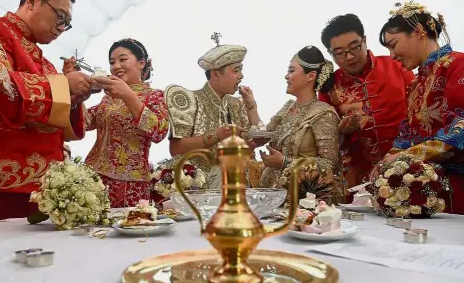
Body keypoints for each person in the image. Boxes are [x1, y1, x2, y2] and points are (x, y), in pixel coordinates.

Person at [0, 0, 94, 222]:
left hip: (51, 190)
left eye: (67, 23)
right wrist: (64, 86)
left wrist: (76, 99)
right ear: (33, 1)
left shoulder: (46, 64)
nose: (62, 28)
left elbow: (64, 131)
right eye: (60, 16)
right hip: (5, 186)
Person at [375, 1, 464, 214]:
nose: (392, 56)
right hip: (421, 191)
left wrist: (409, 156)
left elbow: (460, 127)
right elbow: (408, 133)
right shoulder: (416, 84)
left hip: (458, 186)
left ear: (418, 32)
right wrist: (387, 163)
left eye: (393, 44)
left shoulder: (457, 65)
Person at [318, 14, 415, 192]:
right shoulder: (328, 89)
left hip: (407, 168)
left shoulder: (396, 66)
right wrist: (344, 132)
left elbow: (418, 110)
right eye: (339, 53)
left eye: (354, 47)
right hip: (358, 178)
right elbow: (326, 140)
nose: (348, 57)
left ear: (364, 40)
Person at [165, 33, 261, 188]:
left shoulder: (237, 104)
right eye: (236, 70)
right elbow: (176, 148)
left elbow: (255, 139)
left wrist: (252, 108)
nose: (241, 76)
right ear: (215, 74)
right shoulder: (191, 100)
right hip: (201, 190)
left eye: (241, 70)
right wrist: (215, 135)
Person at [85, 38, 169, 207]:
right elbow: (85, 122)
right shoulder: (108, 98)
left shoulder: (154, 96)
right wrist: (78, 94)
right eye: (112, 62)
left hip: (130, 185)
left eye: (123, 60)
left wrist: (128, 95)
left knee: (130, 229)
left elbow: (159, 131)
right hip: (94, 179)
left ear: (141, 63)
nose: (116, 66)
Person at [259, 46, 340, 190]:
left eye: (291, 71)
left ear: (311, 76)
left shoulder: (323, 114)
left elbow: (330, 164)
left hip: (303, 196)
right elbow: (263, 136)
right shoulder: (287, 107)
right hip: (273, 193)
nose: (286, 76)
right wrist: (251, 107)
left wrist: (284, 162)